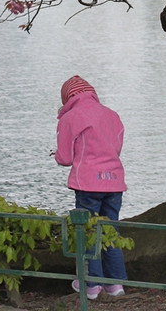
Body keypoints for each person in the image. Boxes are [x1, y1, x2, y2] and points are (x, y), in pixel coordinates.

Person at [55, 75, 128, 300]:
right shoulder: (112, 115)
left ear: (68, 98)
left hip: (88, 184)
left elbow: (65, 157)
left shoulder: (70, 117)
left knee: (88, 232)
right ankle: (116, 284)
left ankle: (92, 284)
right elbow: (115, 148)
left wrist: (56, 155)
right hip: (114, 181)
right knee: (110, 231)